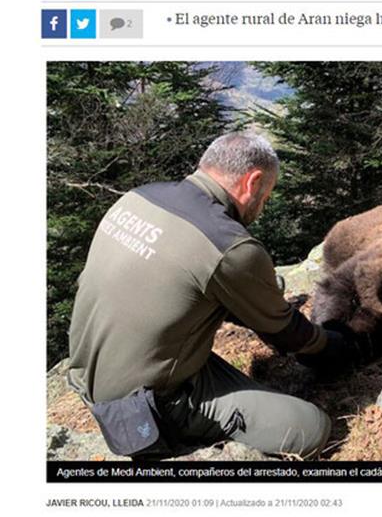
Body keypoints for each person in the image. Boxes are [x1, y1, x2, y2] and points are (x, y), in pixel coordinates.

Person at [67, 131, 351, 459]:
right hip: (142, 406)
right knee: (310, 427)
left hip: (88, 369)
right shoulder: (228, 244)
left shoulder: (138, 197)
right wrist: (336, 344)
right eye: (266, 195)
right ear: (253, 181)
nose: (263, 205)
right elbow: (286, 333)